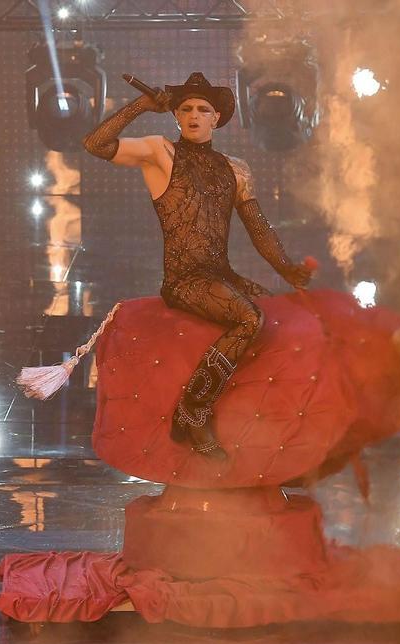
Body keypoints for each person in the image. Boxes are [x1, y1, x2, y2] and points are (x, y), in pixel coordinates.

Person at [82, 72, 312, 459]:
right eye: (184, 108)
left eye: (203, 109)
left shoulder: (237, 169)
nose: (193, 115)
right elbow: (94, 143)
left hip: (221, 274)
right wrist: (141, 105)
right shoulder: (160, 152)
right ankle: (193, 410)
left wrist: (287, 267)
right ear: (175, 116)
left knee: (276, 316)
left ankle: (267, 432)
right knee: (248, 319)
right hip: (185, 278)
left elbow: (258, 227)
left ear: (216, 118)